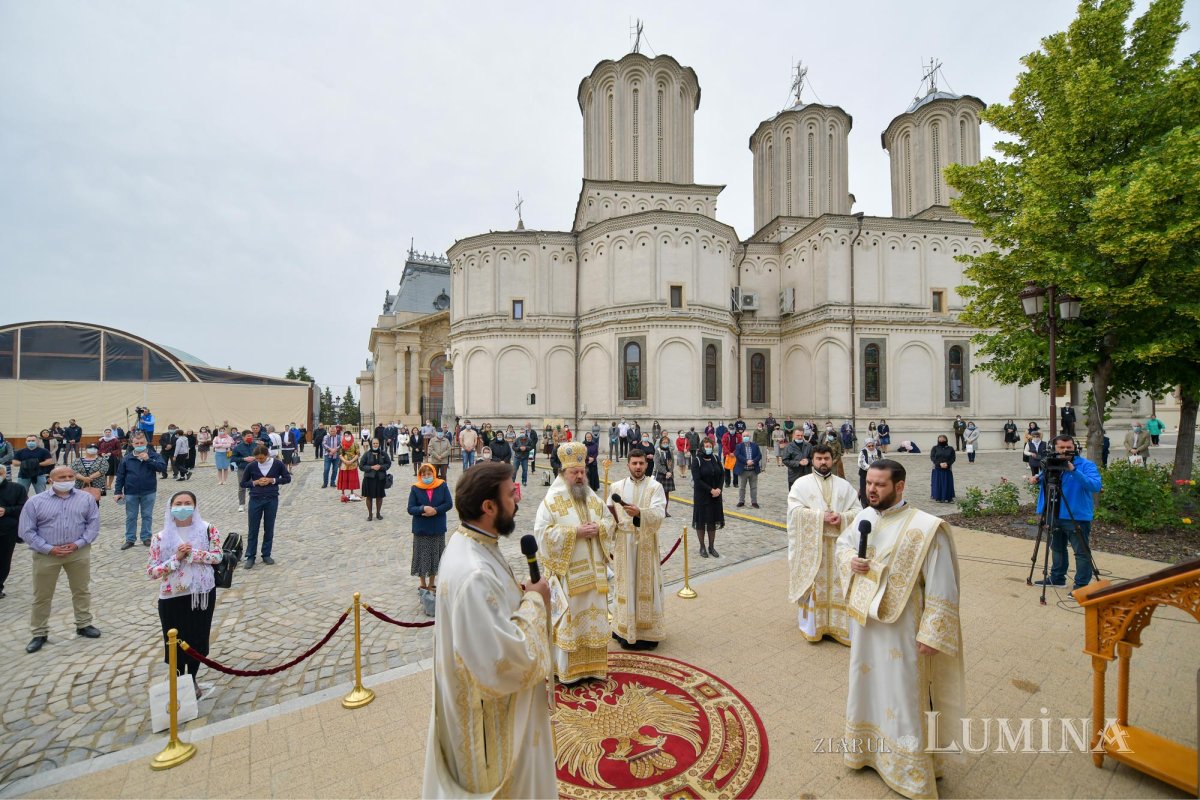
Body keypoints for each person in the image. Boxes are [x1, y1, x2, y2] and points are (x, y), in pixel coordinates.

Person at [421, 461, 554, 798]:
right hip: (491, 726)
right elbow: (505, 659)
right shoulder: (474, 573)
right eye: (511, 494)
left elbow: (490, 617)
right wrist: (536, 603)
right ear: (488, 506)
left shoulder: (473, 542)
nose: (517, 500)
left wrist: (519, 596)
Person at [836, 459, 964, 800]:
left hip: (904, 629)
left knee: (905, 695)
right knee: (867, 686)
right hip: (867, 625)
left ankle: (910, 770)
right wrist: (850, 561)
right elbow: (843, 546)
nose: (871, 490)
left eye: (880, 485)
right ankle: (866, 752)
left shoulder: (925, 528)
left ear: (900, 486)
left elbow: (942, 583)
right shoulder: (864, 517)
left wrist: (933, 632)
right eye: (869, 484)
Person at [534, 442, 615, 683]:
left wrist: (599, 528)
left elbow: (610, 522)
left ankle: (593, 669)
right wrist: (575, 533)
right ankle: (568, 672)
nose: (579, 476)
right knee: (571, 623)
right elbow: (541, 533)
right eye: (574, 472)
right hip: (569, 576)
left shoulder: (592, 498)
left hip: (596, 575)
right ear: (563, 473)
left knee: (593, 620)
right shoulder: (551, 501)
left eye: (582, 472)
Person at [19, 465, 102, 653]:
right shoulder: (35, 502)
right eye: (62, 477)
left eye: (70, 476)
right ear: (51, 480)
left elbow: (93, 524)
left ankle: (84, 623)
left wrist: (78, 544)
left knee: (81, 590)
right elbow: (26, 531)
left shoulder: (86, 498)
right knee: (42, 595)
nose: (66, 480)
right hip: (47, 555)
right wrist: (49, 549)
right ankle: (39, 632)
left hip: (78, 552)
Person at [147, 490, 221, 697]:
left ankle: (193, 679)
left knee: (198, 639)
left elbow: (218, 557)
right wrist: (176, 558)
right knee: (174, 641)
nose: (182, 506)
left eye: (187, 502)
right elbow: (152, 571)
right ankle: (179, 682)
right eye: (178, 503)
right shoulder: (160, 537)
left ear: (195, 506)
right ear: (171, 507)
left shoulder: (208, 529)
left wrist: (194, 554)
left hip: (201, 593)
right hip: (173, 597)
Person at [787, 444, 861, 644]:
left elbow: (858, 510)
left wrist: (842, 516)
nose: (823, 462)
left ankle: (839, 626)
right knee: (817, 586)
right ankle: (814, 627)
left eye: (826, 458)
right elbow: (794, 512)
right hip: (815, 548)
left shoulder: (844, 485)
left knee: (840, 585)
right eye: (819, 458)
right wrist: (820, 517)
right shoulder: (801, 485)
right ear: (813, 460)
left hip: (839, 547)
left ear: (832, 460)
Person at [608, 448, 667, 650]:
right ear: (628, 465)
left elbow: (659, 513)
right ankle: (623, 629)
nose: (638, 467)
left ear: (646, 464)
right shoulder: (616, 487)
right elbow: (609, 515)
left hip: (645, 543)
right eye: (634, 463)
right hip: (623, 544)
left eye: (641, 463)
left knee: (645, 587)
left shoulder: (655, 487)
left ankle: (646, 633)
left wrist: (640, 513)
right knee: (625, 586)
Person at [1030, 434, 1104, 590]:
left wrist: (1073, 470)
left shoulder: (1086, 465)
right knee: (1056, 548)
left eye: (1069, 447)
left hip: (1075, 516)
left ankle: (1082, 585)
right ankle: (1057, 578)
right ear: (1054, 449)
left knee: (1081, 552)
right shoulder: (1050, 464)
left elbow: (1095, 486)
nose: (1065, 450)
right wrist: (1036, 479)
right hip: (1052, 513)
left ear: (1075, 447)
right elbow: (1046, 483)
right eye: (1061, 448)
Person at [240, 444, 291, 569]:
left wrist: (272, 480)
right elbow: (243, 483)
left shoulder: (277, 464)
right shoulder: (251, 465)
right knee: (253, 528)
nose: (259, 461)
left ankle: (266, 554)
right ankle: (250, 555)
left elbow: (287, 478)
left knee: (269, 527)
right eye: (257, 458)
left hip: (271, 499)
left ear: (267, 455)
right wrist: (255, 482)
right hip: (255, 499)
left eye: (262, 458)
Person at [114, 432, 167, 549]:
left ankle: (146, 537)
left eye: (141, 443)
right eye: (137, 443)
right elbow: (120, 476)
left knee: (147, 515)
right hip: (130, 492)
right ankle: (130, 539)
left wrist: (148, 460)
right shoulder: (127, 458)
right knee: (131, 516)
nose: (139, 444)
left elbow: (162, 468)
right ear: (132, 444)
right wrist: (118, 492)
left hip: (149, 491)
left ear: (146, 443)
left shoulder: (154, 456)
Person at [408, 463, 453, 593]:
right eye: (424, 475)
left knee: (435, 555)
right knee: (421, 555)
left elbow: (449, 503)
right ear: (420, 476)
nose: (426, 477)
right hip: (421, 527)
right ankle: (422, 582)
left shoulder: (442, 485)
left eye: (429, 474)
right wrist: (422, 508)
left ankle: (432, 583)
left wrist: (436, 510)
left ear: (433, 473)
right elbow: (410, 508)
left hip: (437, 526)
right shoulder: (415, 488)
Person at [691, 437, 725, 559]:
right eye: (706, 446)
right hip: (702, 496)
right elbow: (697, 479)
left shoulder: (715, 458)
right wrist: (710, 490)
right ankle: (702, 546)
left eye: (710, 446)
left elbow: (722, 474)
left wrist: (719, 489)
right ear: (702, 447)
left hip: (715, 496)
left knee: (712, 521)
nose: (708, 448)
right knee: (701, 522)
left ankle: (711, 546)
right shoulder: (696, 460)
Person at [0, 468, 28, 599]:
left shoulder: (17, 489)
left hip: (7, 530)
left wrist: (6, 510)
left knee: (4, 560)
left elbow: (24, 507)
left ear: (4, 474)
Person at [359, 438, 392, 521]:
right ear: (371, 444)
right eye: (374, 443)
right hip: (369, 478)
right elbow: (361, 466)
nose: (375, 445)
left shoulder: (383, 453)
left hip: (380, 478)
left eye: (377, 443)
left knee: (379, 497)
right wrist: (371, 467)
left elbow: (388, 463)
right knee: (369, 497)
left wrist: (381, 467)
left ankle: (378, 513)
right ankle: (370, 514)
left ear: (379, 444)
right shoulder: (367, 454)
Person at [734, 432, 763, 509]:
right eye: (744, 436)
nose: (746, 437)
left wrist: (753, 461)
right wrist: (746, 461)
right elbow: (737, 455)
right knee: (741, 487)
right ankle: (741, 501)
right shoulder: (739, 446)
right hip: (742, 470)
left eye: (747, 436)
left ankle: (754, 502)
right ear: (742, 437)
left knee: (754, 487)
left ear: (749, 437)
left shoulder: (755, 445)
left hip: (753, 470)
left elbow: (759, 455)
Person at [653, 435, 675, 515]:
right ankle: (659, 510)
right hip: (661, 474)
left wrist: (670, 472)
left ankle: (665, 510)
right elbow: (657, 464)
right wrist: (665, 472)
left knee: (666, 494)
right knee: (659, 494)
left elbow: (672, 462)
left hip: (669, 475)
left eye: (666, 442)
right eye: (664, 442)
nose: (665, 444)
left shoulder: (670, 451)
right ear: (661, 443)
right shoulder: (658, 451)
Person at [930, 435, 957, 503]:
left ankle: (948, 497)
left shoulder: (950, 448)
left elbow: (953, 458)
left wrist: (947, 464)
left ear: (946, 440)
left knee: (947, 483)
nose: (941, 441)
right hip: (937, 468)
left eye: (943, 439)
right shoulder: (935, 448)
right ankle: (938, 497)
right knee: (937, 483)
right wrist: (939, 464)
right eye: (940, 439)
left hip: (947, 468)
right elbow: (932, 457)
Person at [856, 439, 881, 506]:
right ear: (866, 446)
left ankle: (874, 502)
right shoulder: (863, 452)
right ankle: (865, 504)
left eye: (872, 445)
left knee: (874, 488)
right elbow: (861, 463)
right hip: (865, 474)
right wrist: (871, 468)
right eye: (869, 446)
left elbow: (882, 461)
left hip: (876, 474)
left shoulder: (878, 452)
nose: (871, 447)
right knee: (864, 489)